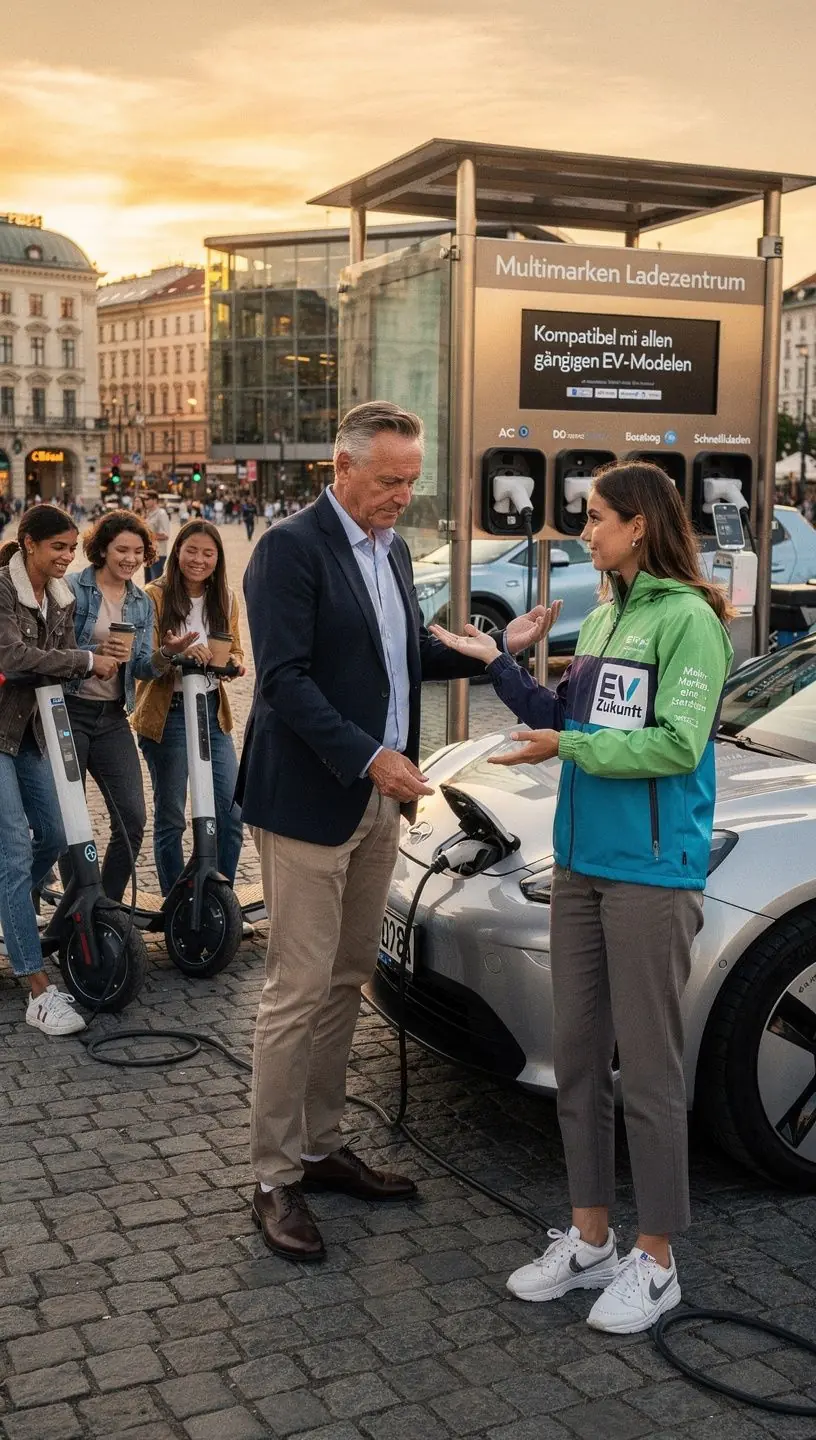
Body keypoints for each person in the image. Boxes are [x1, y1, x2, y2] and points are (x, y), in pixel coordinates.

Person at [238, 400, 551, 1262]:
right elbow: (284, 683)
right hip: (311, 803)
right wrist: (373, 757)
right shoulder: (289, 550)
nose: (401, 497)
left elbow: (402, 653)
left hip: (379, 799)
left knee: (347, 978)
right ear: (340, 466)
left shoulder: (393, 549)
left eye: (411, 482)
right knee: (296, 990)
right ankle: (273, 1176)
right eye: (388, 481)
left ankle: (320, 1146)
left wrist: (495, 647)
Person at [431, 461, 734, 1334]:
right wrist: (498, 663)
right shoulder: (603, 615)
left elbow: (675, 745)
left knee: (650, 1072)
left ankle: (658, 1259)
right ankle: (592, 1238)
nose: (584, 529)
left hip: (650, 873)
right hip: (580, 865)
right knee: (576, 1062)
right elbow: (563, 716)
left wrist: (568, 747)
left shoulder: (689, 620)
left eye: (597, 516)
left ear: (640, 525)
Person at [0, 505, 120, 1035]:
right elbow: (12, 657)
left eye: (72, 548)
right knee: (14, 849)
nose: (67, 557)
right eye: (58, 547)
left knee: (50, 836)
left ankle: (11, 909)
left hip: (30, 733)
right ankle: (37, 989)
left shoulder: (61, 598)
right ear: (28, 542)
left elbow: (64, 658)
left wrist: (93, 654)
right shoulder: (3, 589)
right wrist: (86, 661)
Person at [63, 511, 192, 902]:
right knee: (70, 822)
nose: (131, 559)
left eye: (138, 551)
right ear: (102, 549)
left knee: (133, 820)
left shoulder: (140, 602)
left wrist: (165, 654)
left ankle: (105, 906)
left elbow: (140, 668)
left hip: (112, 717)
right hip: (67, 711)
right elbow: (52, 651)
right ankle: (76, 914)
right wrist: (94, 653)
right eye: (122, 549)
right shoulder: (71, 588)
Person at [132, 520, 245, 899]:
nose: (199, 560)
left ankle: (219, 901)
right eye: (191, 550)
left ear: (218, 558)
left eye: (208, 553)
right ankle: (176, 904)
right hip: (169, 713)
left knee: (230, 814)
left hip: (212, 712)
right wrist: (176, 652)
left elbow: (235, 648)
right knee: (171, 817)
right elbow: (143, 661)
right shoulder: (153, 596)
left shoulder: (225, 598)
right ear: (177, 551)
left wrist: (234, 662)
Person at [144, 490, 171, 581]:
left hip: (158, 554)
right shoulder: (148, 513)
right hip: (148, 554)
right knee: (147, 584)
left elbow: (165, 535)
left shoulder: (161, 514)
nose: (145, 501)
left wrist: (147, 536)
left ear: (155, 500)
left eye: (147, 499)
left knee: (155, 584)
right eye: (144, 499)